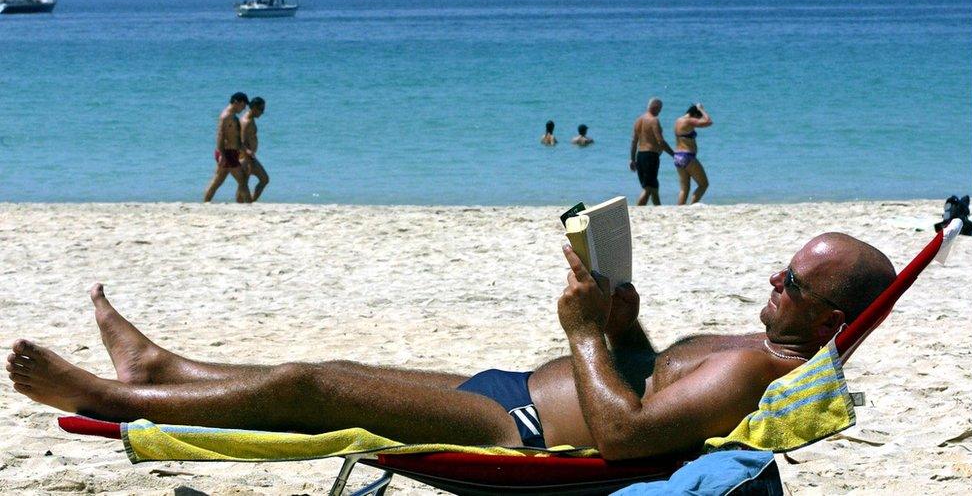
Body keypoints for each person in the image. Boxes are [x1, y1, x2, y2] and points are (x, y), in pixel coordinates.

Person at [6, 233, 894, 460]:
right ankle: (161, 370)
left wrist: (584, 333)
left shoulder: (757, 364)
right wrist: (625, 328)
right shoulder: (769, 345)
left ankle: (113, 400)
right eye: (782, 268)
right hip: (513, 389)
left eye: (792, 284)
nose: (771, 281)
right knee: (324, 375)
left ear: (827, 323)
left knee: (310, 384)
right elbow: (653, 381)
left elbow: (624, 436)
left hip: (519, 427)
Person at [204, 92, 252, 203]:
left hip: (231, 152)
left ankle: (205, 203)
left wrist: (245, 150)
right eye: (243, 105)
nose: (244, 108)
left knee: (217, 181)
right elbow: (220, 136)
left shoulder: (232, 116)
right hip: (227, 153)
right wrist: (222, 155)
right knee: (242, 180)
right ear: (236, 102)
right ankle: (249, 205)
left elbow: (235, 137)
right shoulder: (226, 116)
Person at [630, 98, 675, 206]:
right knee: (648, 189)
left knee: (654, 187)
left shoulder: (638, 120)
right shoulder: (654, 120)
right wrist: (674, 154)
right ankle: (637, 211)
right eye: (660, 109)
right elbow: (660, 141)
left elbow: (634, 141)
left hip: (640, 155)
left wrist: (632, 159)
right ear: (655, 107)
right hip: (650, 156)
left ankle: (658, 208)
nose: (660, 112)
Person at [673, 103, 713, 205]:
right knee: (703, 184)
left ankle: (679, 210)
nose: (698, 119)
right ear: (695, 114)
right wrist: (702, 109)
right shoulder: (689, 121)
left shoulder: (678, 120)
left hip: (677, 156)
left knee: (684, 189)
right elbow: (708, 121)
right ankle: (692, 206)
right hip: (687, 156)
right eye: (698, 117)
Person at [240, 97, 270, 202]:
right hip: (245, 157)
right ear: (254, 108)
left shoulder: (251, 118)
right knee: (263, 179)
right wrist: (248, 155)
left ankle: (247, 203)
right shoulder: (246, 121)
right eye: (261, 109)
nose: (262, 112)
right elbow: (241, 142)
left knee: (244, 183)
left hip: (250, 157)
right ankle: (246, 204)